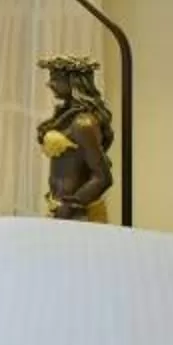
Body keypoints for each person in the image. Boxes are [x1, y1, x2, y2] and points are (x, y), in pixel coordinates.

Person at [37, 54, 116, 221]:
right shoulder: (66, 116)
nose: (50, 84)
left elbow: (103, 177)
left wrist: (72, 205)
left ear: (74, 83)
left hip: (79, 213)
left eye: (56, 79)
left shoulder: (83, 123)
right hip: (59, 207)